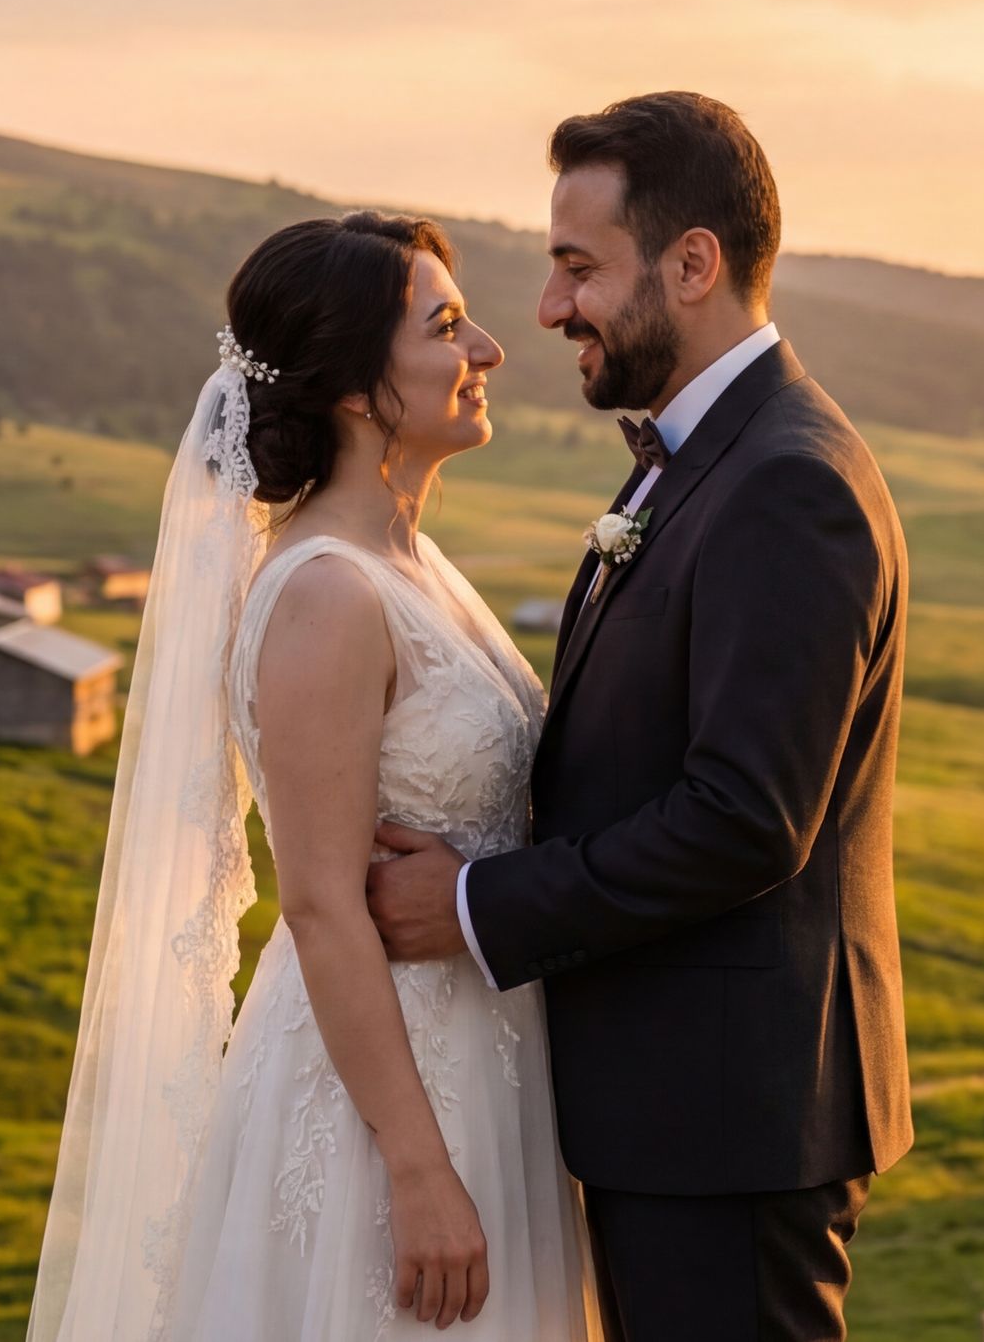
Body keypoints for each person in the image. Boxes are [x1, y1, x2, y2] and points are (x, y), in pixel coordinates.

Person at [369, 92, 914, 1341]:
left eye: (577, 268)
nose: (551, 309)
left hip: (729, 1120)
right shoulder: (700, 457)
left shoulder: (786, 484)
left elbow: (743, 820)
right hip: (677, 1111)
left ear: (693, 263)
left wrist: (469, 906)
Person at [30, 211, 594, 1341]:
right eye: (445, 325)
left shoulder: (410, 561)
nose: (486, 346)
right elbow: (325, 902)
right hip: (386, 1097)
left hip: (489, 1060)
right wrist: (420, 1168)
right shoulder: (328, 595)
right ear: (351, 387)